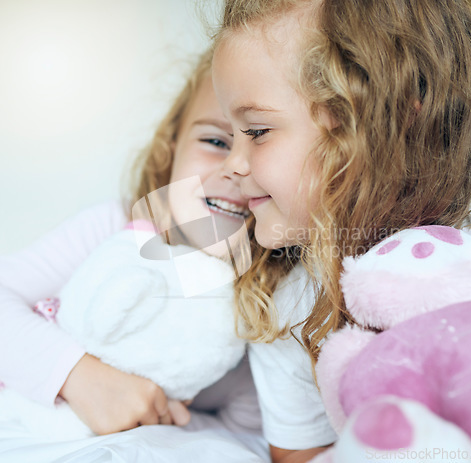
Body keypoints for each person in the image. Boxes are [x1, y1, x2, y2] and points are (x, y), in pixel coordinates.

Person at [211, 0, 471, 461]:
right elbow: (300, 452)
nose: (232, 164)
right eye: (229, 136)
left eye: (258, 131)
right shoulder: (287, 304)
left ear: (382, 118)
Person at [0, 48, 281, 452]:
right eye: (217, 140)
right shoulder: (112, 229)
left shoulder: (269, 295)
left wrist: (161, 419)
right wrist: (80, 377)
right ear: (171, 150)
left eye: (261, 143)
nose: (237, 168)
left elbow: (246, 426)